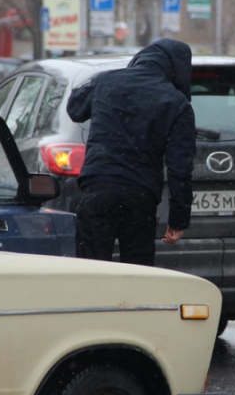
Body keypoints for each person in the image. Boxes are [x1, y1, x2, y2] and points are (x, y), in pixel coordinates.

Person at [66, 39, 196, 266]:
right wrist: (178, 220)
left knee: (90, 274)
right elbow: (180, 168)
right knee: (138, 277)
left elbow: (75, 109)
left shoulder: (107, 82)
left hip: (98, 190)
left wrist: (100, 81)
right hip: (140, 198)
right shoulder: (176, 102)